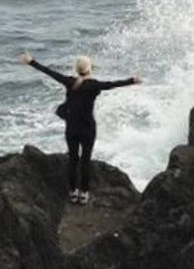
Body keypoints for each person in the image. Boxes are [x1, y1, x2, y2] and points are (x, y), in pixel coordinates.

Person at [18, 51, 140, 205]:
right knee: (85, 160)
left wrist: (31, 62)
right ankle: (84, 194)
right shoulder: (94, 85)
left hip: (72, 128)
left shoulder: (69, 82)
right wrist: (132, 80)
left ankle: (73, 193)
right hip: (88, 128)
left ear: (76, 69)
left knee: (73, 160)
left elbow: (50, 72)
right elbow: (113, 84)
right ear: (90, 69)